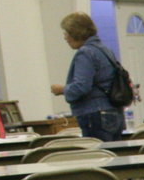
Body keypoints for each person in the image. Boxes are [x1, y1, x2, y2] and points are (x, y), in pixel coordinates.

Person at [51, 12, 123, 142]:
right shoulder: (105, 49)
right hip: (114, 112)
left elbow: (81, 87)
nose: (65, 38)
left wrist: (63, 89)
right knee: (113, 152)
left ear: (76, 33)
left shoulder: (85, 53)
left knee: (97, 153)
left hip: (95, 114)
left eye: (66, 33)